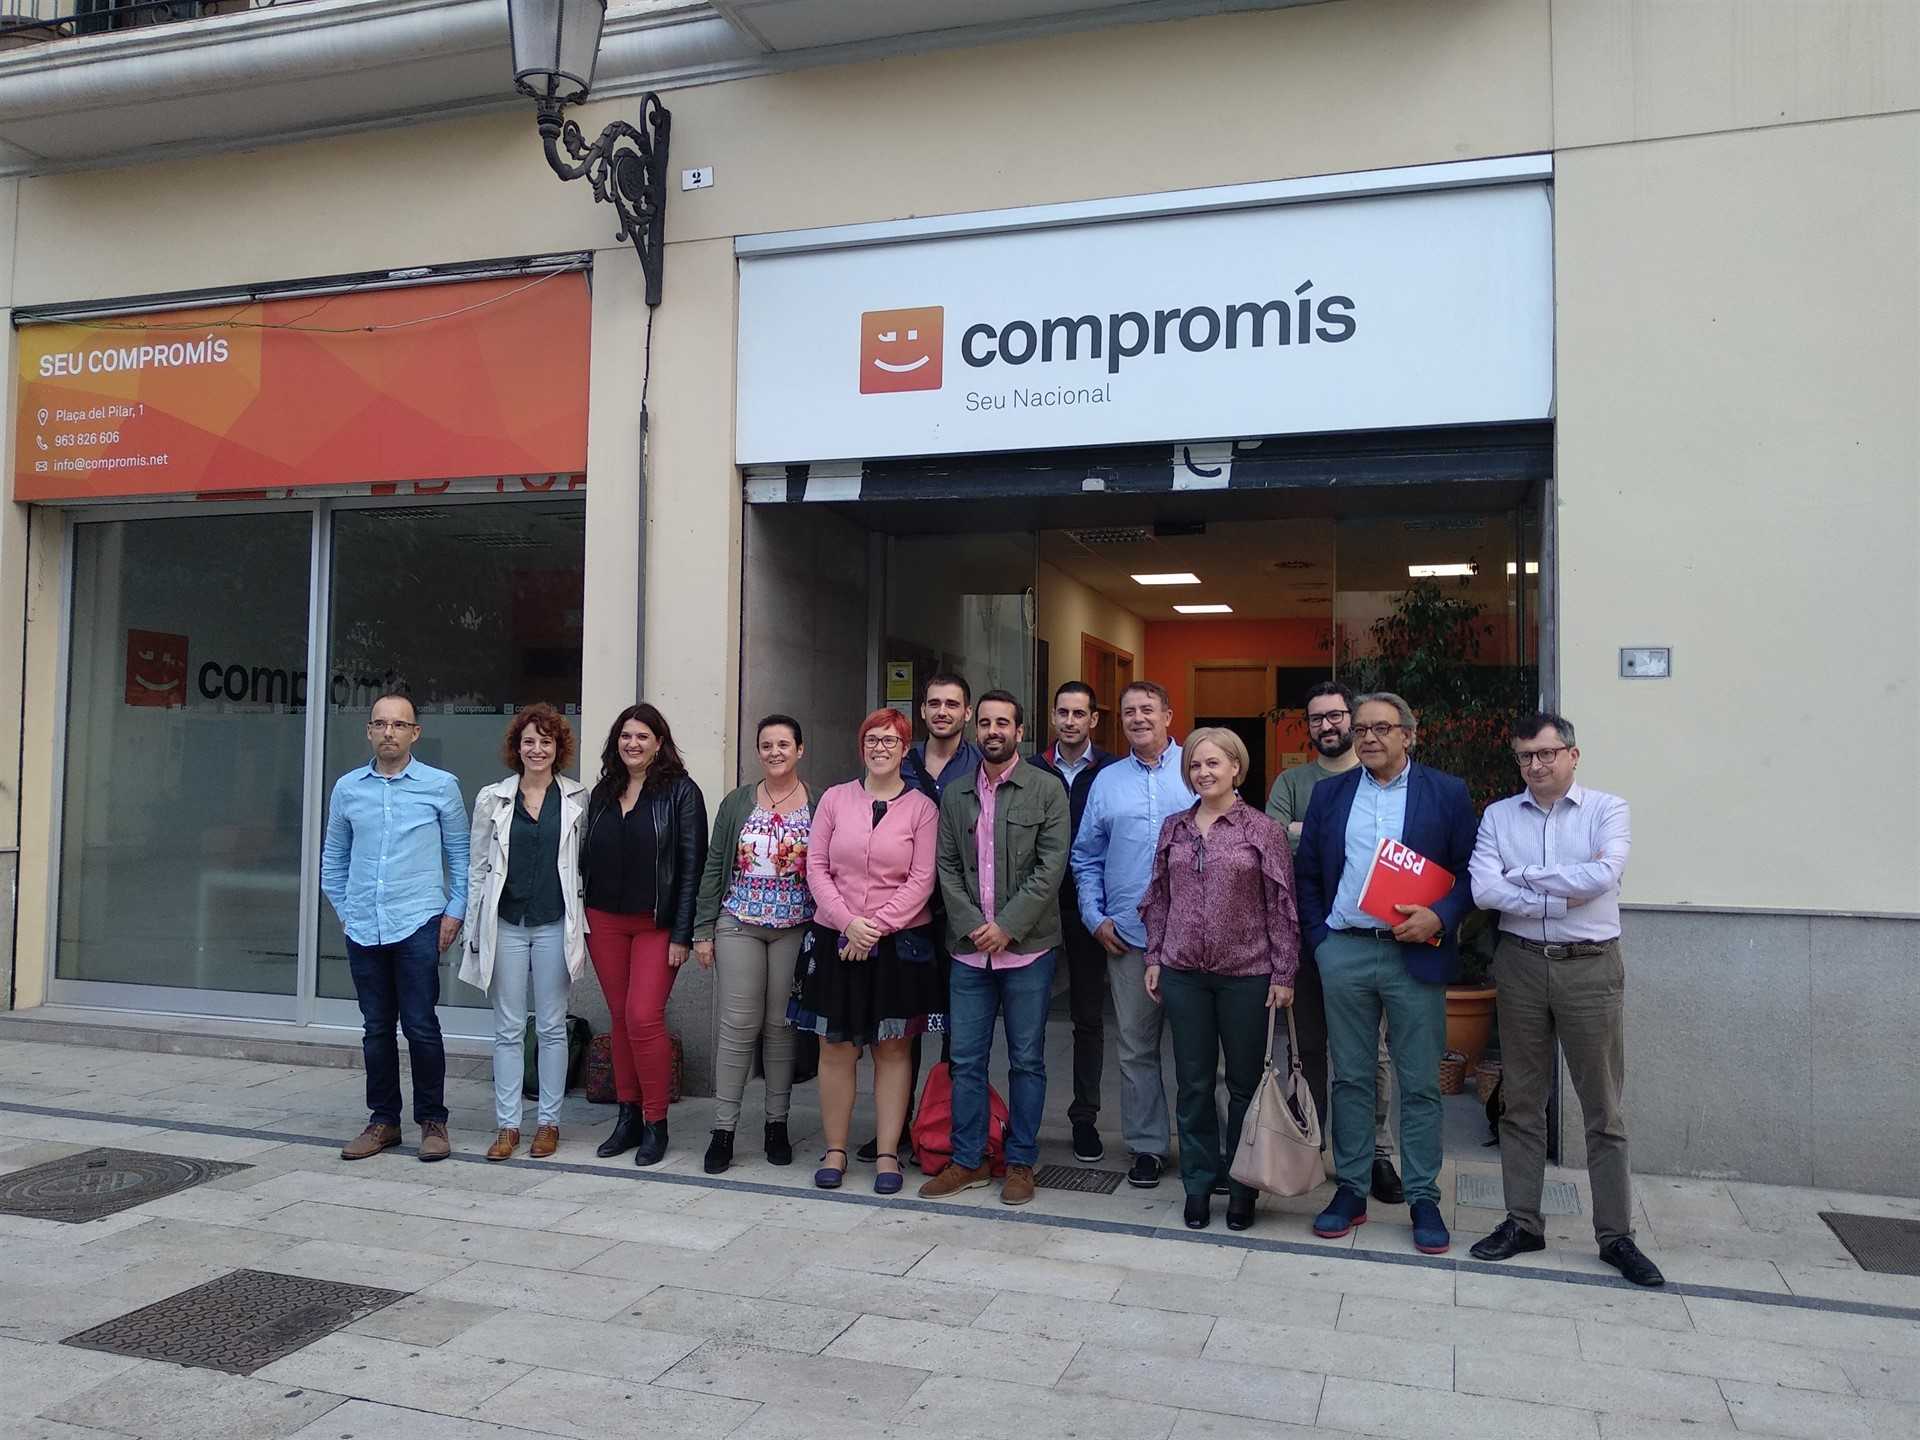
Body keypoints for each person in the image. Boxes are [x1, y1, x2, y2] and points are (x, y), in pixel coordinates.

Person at [1468, 713, 1663, 1287]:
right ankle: (1522, 1222)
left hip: (1590, 967)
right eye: (1526, 756)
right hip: (1521, 964)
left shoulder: (1608, 809)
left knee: (1602, 1107)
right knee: (1521, 1101)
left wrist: (1523, 877)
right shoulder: (1499, 815)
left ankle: (1615, 1235)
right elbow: (1484, 889)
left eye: (1547, 754)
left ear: (1572, 755)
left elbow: (1603, 875)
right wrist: (1558, 894)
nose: (1536, 765)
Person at [1295, 691, 1476, 1254]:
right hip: (1345, 951)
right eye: (1361, 729)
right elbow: (1308, 874)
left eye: (1381, 728)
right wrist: (1321, 941)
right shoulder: (1330, 794)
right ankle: (1351, 1189)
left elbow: (1471, 872)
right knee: (1350, 1077)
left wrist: (1439, 917)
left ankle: (1422, 1196)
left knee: (1419, 1081)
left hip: (1414, 955)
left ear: (1408, 735)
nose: (1368, 737)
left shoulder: (1445, 793)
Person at [1143, 728, 1300, 1231]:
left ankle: (1242, 1186)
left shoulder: (1262, 829)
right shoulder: (1174, 828)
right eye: (1195, 765)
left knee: (1244, 1085)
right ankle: (1197, 1183)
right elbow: (1159, 896)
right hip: (1183, 973)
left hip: (1248, 975)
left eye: (1213, 763)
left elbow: (1281, 904)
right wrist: (1154, 956)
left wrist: (1284, 971)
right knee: (1192, 1084)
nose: (1203, 773)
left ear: (1236, 767)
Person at [920, 691, 1071, 1207]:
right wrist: (973, 925)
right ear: (975, 728)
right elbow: (945, 867)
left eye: (1002, 723)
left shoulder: (1047, 789)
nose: (992, 731)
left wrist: (1006, 926)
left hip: (1027, 951)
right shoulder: (955, 793)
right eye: (985, 723)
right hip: (968, 953)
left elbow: (1051, 867)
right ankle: (968, 1160)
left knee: (1027, 1060)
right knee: (965, 1060)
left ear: (1020, 732)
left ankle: (1021, 1161)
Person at [792, 708, 944, 1195]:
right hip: (836, 937)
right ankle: (835, 1150)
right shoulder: (835, 799)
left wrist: (875, 927)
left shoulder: (922, 808)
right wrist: (848, 923)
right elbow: (816, 867)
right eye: (872, 739)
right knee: (836, 1047)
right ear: (862, 747)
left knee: (893, 1048)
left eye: (890, 740)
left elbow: (922, 879)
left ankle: (887, 1153)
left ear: (905, 750)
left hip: (898, 945)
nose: (880, 748)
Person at [1265, 680, 1403, 1205]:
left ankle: (1376, 1154)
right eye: (1317, 718)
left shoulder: (1379, 779)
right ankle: (1313, 1145)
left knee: (1374, 1052)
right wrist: (1330, 835)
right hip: (1306, 934)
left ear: (1354, 719)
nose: (1327, 725)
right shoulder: (1293, 780)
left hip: (1371, 937)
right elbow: (1272, 839)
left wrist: (1311, 832)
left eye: (1336, 716)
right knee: (1309, 1047)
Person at [321, 692, 468, 1163]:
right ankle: (383, 1121)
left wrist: (454, 912)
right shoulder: (348, 789)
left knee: (421, 1025)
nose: (389, 732)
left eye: (399, 724)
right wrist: (348, 912)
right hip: (364, 926)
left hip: (418, 922)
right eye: (381, 724)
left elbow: (462, 857)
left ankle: (433, 1122)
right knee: (376, 1028)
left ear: (414, 733)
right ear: (369, 731)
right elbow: (333, 861)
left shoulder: (441, 786)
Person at [1069, 680, 1189, 1188]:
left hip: (1194, 942)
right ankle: (1147, 1147)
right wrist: (1093, 916)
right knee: (1136, 1050)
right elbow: (1085, 856)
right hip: (1129, 938)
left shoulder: (1197, 768)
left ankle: (1207, 1149)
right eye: (1129, 712)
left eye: (1147, 709)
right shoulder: (1107, 780)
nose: (1138, 718)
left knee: (1201, 1055)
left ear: (1168, 715)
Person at [582, 703, 708, 1167]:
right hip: (604, 920)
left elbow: (693, 867)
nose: (632, 744)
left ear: (659, 743)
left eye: (642, 736)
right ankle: (627, 1116)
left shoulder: (682, 792)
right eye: (625, 735)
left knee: (643, 1017)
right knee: (619, 1018)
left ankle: (656, 1122)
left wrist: (684, 934)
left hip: (657, 924)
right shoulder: (604, 790)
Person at [691, 714, 817, 1174]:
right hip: (739, 921)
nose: (775, 752)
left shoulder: (820, 803)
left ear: (800, 750)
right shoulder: (737, 802)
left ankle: (776, 1124)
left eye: (784, 744)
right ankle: (723, 1130)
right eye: (766, 745)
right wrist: (702, 930)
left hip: (795, 925)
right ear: (758, 752)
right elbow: (715, 864)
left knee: (781, 1027)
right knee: (738, 1025)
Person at [860, 672, 978, 1164]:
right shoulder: (900, 761)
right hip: (905, 923)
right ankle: (897, 1129)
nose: (942, 711)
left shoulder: (979, 765)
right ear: (923, 711)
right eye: (934, 703)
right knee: (900, 1030)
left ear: (966, 712)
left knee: (958, 1033)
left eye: (952, 704)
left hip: (961, 917)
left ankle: (944, 1128)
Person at [463, 704, 588, 1162]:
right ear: (516, 747)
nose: (537, 749)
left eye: (545, 742)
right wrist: (472, 926)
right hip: (506, 925)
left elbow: (582, 866)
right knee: (509, 1028)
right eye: (529, 741)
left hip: (555, 923)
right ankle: (508, 1125)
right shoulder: (492, 798)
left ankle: (549, 1123)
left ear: (559, 748)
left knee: (552, 1026)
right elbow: (478, 868)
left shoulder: (577, 799)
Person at [1042, 680, 1118, 1163]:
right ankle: (1023, 1118)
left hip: (1092, 910)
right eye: (1063, 712)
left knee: (1088, 1018)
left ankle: (1084, 1118)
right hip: (1038, 912)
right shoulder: (1032, 769)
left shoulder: (1112, 772)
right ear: (1053, 717)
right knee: (1028, 1021)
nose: (1070, 721)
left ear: (1093, 719)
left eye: (1079, 713)